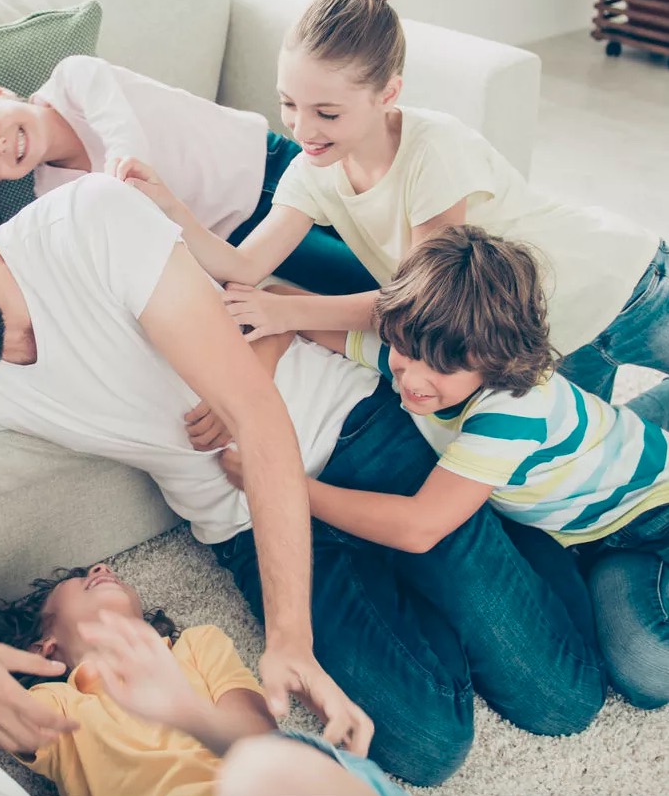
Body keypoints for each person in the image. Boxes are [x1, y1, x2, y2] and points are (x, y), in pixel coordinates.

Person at [0, 173, 605, 785]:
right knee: (426, 744)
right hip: (241, 518)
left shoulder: (88, 224)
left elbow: (258, 419)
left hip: (348, 439)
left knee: (559, 699)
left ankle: (541, 512)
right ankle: (424, 563)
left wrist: (289, 636)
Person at [114, 0, 667, 405]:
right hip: (547, 339)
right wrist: (169, 207)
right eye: (289, 104)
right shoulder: (315, 171)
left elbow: (424, 303)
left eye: (327, 113)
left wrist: (288, 309)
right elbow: (242, 264)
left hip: (623, 284)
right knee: (593, 469)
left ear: (389, 94)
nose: (303, 129)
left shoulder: (435, 152)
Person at [223, 224, 667, 710]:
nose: (411, 380)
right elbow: (284, 308)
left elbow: (419, 528)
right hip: (584, 525)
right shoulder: (428, 351)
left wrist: (279, 481)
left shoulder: (513, 408)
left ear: (495, 363)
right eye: (403, 352)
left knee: (646, 670)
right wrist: (254, 381)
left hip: (650, 512)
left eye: (439, 369)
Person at [0, 496, 406, 796]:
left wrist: (180, 707)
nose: (101, 567)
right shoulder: (63, 709)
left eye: (101, 568)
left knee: (272, 775)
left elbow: (259, 743)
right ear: (49, 648)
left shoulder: (197, 646)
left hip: (275, 788)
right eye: (81, 580)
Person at [0, 54, 377, 294]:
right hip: (240, 234)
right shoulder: (54, 196)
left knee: (385, 223)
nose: (2, 145)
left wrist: (118, 181)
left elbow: (123, 130)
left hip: (263, 158)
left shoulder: (73, 79)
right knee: (365, 279)